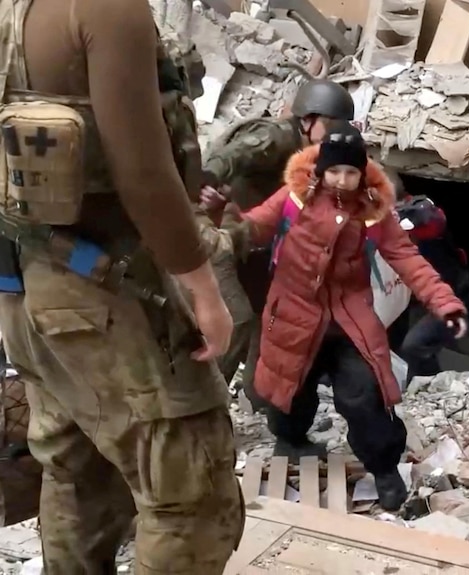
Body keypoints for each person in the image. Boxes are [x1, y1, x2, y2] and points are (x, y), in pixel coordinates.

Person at [0, 0, 243, 572]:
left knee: (78, 470)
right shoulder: (105, 8)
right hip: (112, 290)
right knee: (192, 497)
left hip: (24, 284)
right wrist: (203, 289)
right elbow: (143, 171)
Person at [222, 122, 467, 510]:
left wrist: (444, 302)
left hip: (348, 318)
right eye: (334, 171)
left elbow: (406, 259)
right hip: (295, 313)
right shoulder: (294, 198)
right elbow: (253, 228)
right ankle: (291, 439)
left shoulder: (372, 210)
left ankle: (384, 469)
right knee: (288, 387)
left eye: (350, 172)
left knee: (364, 393)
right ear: (320, 169)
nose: (341, 180)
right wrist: (225, 216)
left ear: (361, 173)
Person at [200, 79, 355, 411]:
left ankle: (259, 398)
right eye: (331, 125)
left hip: (253, 243)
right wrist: (209, 180)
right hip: (220, 236)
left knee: (267, 318)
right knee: (237, 318)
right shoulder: (278, 136)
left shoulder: (313, 155)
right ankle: (203, 405)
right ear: (308, 119)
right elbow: (233, 155)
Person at [386, 171, 469, 382]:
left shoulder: (421, 214)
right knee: (391, 346)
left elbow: (433, 219)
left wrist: (399, 219)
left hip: (450, 294)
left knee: (414, 345)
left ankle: (428, 388)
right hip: (407, 296)